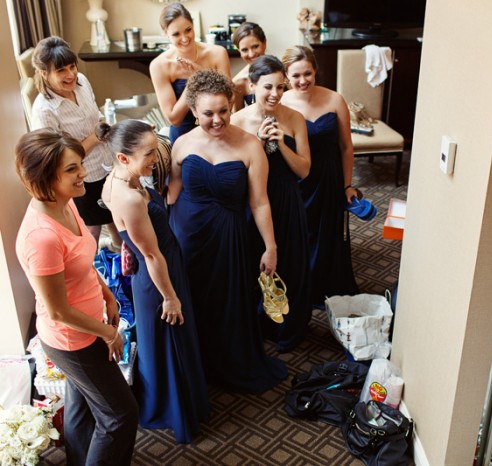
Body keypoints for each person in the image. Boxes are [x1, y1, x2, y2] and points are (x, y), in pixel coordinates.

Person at [14, 129, 138, 465]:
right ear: (45, 176)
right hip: (73, 340)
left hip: (88, 324)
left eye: (80, 164)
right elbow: (57, 311)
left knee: (81, 409)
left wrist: (107, 295)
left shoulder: (66, 203)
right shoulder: (41, 237)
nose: (83, 172)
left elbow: (82, 261)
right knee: (120, 415)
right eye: (72, 169)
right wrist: (108, 333)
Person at [168, 69, 287, 390]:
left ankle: (227, 364)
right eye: (208, 113)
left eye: (224, 110)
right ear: (194, 111)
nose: (218, 119)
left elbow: (259, 202)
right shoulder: (181, 143)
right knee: (191, 299)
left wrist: (270, 246)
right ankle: (197, 368)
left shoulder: (250, 146)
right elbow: (172, 193)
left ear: (232, 104)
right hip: (187, 234)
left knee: (227, 302)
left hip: (229, 237)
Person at [97, 119, 209, 443]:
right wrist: (170, 298)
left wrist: (127, 246)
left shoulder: (119, 178)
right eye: (148, 154)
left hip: (163, 262)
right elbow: (150, 255)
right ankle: (174, 411)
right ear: (123, 157)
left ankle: (182, 401)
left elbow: (126, 236)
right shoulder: (129, 198)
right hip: (158, 276)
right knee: (170, 340)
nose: (155, 159)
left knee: (170, 341)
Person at [232, 55, 312, 352]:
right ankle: (258, 326)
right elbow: (234, 171)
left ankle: (289, 329)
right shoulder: (237, 121)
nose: (275, 94)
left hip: (287, 200)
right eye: (268, 87)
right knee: (256, 265)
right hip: (252, 202)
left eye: (281, 87)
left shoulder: (295, 118)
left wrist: (280, 146)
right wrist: (257, 142)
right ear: (252, 86)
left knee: (291, 264)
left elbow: (304, 170)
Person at [281, 45, 359, 306]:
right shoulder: (281, 103)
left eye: (308, 73)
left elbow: (346, 147)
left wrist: (347, 185)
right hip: (297, 179)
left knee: (328, 235)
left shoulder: (335, 99)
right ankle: (302, 287)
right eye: (296, 75)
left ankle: (327, 287)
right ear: (286, 76)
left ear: (315, 71)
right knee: (299, 235)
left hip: (329, 178)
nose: (303, 80)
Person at [31, 36, 121, 250]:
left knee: (117, 220)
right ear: (44, 72)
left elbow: (95, 114)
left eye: (72, 66)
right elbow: (59, 159)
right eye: (61, 70)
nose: (70, 74)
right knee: (91, 231)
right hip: (81, 178)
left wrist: (104, 127)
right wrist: (94, 137)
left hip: (106, 164)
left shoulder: (82, 81)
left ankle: (123, 263)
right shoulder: (44, 111)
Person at [150, 2, 231, 143]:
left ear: (193, 26)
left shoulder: (218, 53)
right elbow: (174, 119)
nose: (184, 38)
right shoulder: (159, 65)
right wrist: (194, 81)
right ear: (166, 34)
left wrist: (201, 74)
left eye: (188, 30)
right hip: (183, 137)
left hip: (218, 130)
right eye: (176, 34)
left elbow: (230, 99)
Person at [231, 22, 267, 112]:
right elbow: (237, 118)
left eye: (255, 46)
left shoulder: (283, 71)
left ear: (264, 43)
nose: (251, 54)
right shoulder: (238, 82)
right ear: (239, 51)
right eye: (244, 50)